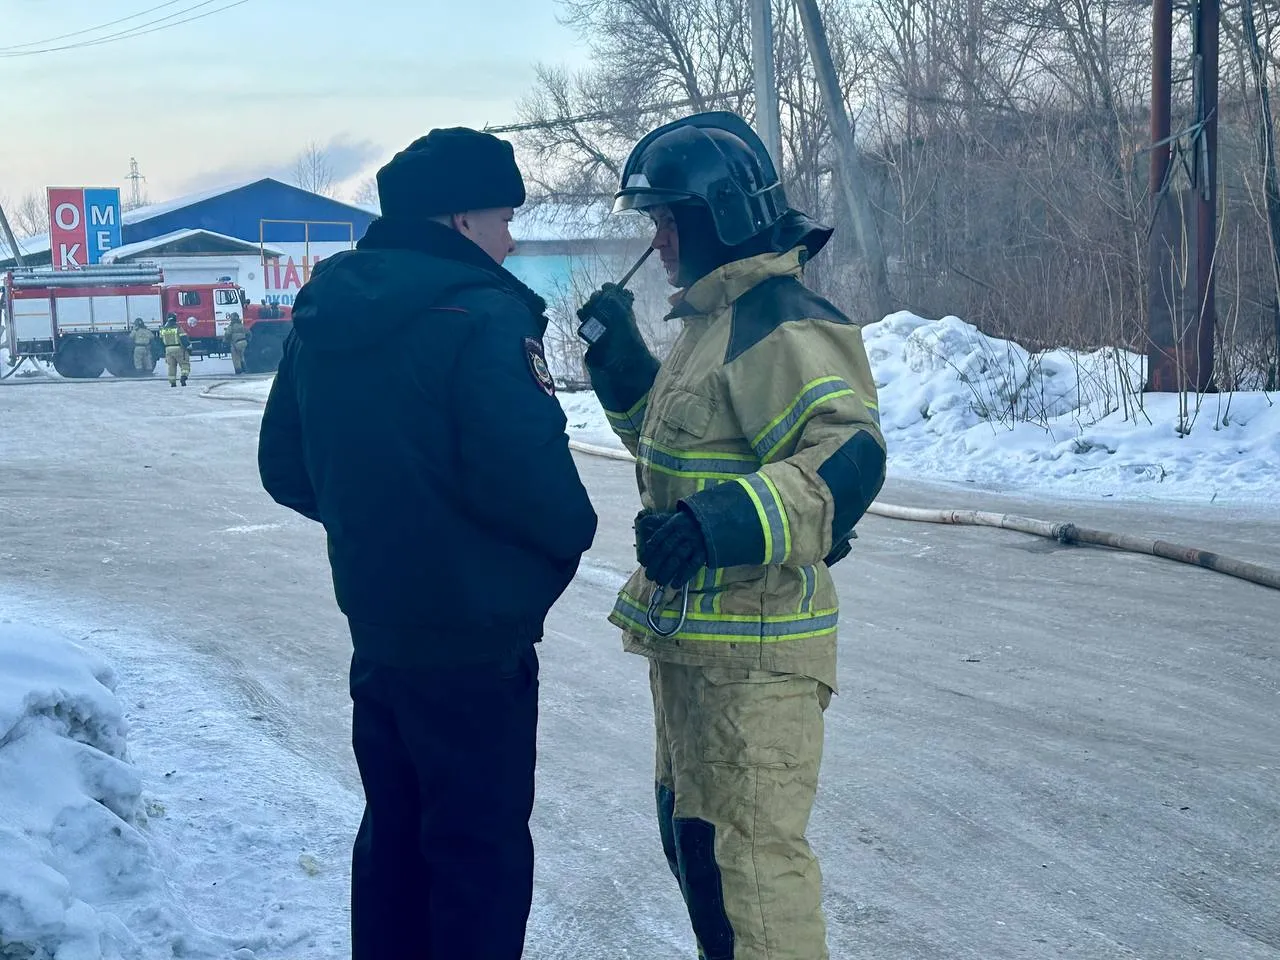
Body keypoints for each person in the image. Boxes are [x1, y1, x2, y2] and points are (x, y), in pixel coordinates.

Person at [256, 127, 598, 960]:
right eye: (502, 217)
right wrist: (551, 553)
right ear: (458, 221)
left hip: (378, 632)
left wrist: (380, 529)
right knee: (476, 858)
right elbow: (539, 491)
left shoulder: (325, 310)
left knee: (395, 845)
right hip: (477, 643)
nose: (511, 238)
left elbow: (284, 467)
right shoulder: (481, 316)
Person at [577, 112, 887, 960]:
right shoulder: (712, 324)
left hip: (757, 655)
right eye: (654, 224)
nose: (660, 238)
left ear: (718, 214)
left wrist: (712, 528)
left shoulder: (782, 320)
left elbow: (849, 455)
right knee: (703, 857)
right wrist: (626, 374)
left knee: (750, 872)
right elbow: (687, 457)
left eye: (669, 219)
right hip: (701, 650)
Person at [159, 314, 190, 386]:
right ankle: (183, 376)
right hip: (179, 349)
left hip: (168, 350)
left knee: (171, 366)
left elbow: (160, 341)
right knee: (184, 364)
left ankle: (172, 382)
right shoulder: (178, 327)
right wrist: (188, 346)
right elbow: (184, 338)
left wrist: (164, 351)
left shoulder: (163, 329)